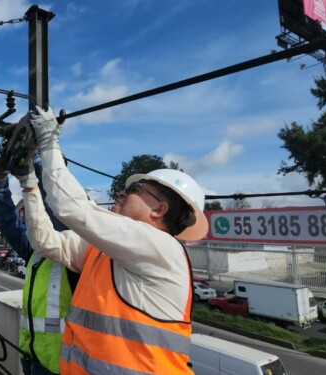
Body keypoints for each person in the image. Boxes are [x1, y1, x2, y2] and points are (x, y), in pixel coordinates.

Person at [21, 105, 209, 374]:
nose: (121, 193)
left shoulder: (161, 248)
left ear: (159, 210)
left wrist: (50, 144)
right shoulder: (106, 250)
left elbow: (75, 209)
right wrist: (29, 184)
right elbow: (45, 241)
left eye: (134, 189)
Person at [0, 149, 77, 375]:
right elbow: (8, 221)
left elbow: (59, 209)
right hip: (31, 356)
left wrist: (37, 162)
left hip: (61, 365)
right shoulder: (36, 251)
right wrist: (0, 181)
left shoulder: (76, 248)